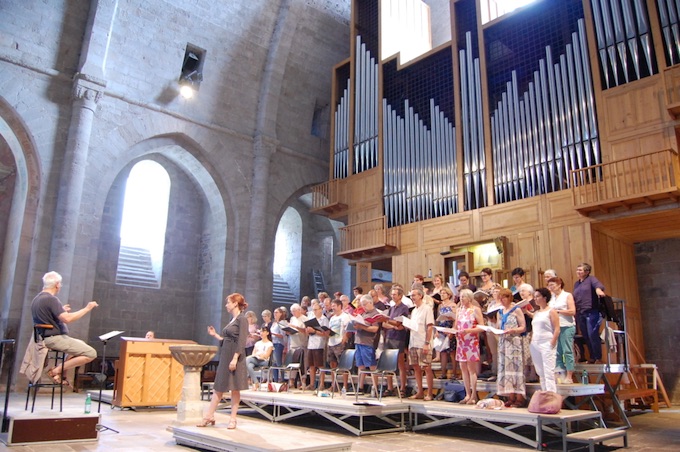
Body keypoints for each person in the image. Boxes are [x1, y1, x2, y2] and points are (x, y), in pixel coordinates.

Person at [30, 271, 99, 385]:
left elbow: (45, 315)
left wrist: (60, 309)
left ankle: (62, 374)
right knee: (91, 353)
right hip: (53, 338)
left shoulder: (37, 299)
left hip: (45, 337)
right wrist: (87, 308)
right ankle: (56, 371)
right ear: (57, 284)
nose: (60, 286)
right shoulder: (51, 299)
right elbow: (67, 319)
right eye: (60, 284)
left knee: (80, 343)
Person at [199, 293, 249, 429]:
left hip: (235, 356)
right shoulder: (232, 320)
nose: (226, 305)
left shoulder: (242, 319)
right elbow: (227, 339)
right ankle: (209, 415)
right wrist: (215, 335)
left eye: (228, 302)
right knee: (219, 386)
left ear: (235, 303)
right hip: (226, 354)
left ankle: (233, 419)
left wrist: (235, 358)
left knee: (235, 388)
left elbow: (242, 340)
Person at [496, 288, 526, 407]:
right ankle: (510, 396)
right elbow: (499, 326)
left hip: (514, 341)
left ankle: (519, 397)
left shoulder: (516, 310)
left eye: (504, 297)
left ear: (509, 298)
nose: (502, 300)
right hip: (504, 342)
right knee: (506, 369)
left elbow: (523, 327)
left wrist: (513, 330)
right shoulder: (500, 311)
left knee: (515, 368)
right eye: (500, 298)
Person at [454, 289, 484, 404]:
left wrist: (468, 330)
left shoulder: (475, 310)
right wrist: (454, 331)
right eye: (460, 297)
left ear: (469, 298)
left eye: (464, 297)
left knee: (471, 369)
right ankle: (467, 394)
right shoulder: (459, 310)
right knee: (463, 368)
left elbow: (482, 327)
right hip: (461, 341)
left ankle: (474, 395)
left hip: (471, 342)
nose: (461, 299)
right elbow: (456, 326)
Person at [573, 263, 606, 364]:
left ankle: (598, 357)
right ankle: (592, 357)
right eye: (577, 270)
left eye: (580, 270)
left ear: (587, 272)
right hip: (580, 312)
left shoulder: (591, 279)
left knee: (593, 334)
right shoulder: (577, 283)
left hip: (592, 311)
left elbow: (598, 286)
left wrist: (598, 290)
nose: (578, 272)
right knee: (586, 335)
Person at [406, 287, 435, 401]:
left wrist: (427, 343)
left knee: (426, 367)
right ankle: (420, 391)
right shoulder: (414, 310)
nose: (412, 297)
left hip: (423, 341)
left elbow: (430, 326)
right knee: (416, 367)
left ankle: (430, 393)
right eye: (411, 295)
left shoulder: (427, 309)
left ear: (420, 296)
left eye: (414, 295)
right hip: (413, 342)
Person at [530, 288, 560, 392]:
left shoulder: (551, 311)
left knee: (548, 371)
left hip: (547, 342)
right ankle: (544, 394)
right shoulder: (537, 312)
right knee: (540, 372)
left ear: (545, 298)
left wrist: (552, 342)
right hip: (535, 343)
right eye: (534, 297)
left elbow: (557, 328)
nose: (535, 299)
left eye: (538, 296)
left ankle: (551, 396)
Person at [381, 285, 410, 396]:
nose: (392, 296)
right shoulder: (391, 308)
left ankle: (403, 387)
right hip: (390, 336)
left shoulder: (404, 308)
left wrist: (390, 322)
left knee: (400, 363)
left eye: (394, 294)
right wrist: (392, 324)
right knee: (388, 363)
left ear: (400, 296)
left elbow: (400, 323)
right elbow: (385, 324)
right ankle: (389, 387)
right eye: (391, 294)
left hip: (399, 337)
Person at [548, 276, 577, 383]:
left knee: (567, 350)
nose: (550, 287)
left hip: (567, 325)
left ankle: (569, 375)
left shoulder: (567, 295)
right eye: (549, 285)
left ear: (559, 285)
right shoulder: (551, 297)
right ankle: (560, 373)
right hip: (555, 327)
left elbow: (572, 311)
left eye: (552, 285)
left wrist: (558, 311)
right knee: (557, 351)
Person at [352, 294, 381, 394]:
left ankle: (375, 387)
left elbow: (375, 329)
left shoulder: (375, 314)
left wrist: (362, 327)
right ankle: (360, 387)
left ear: (370, 302)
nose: (363, 306)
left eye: (364, 304)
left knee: (371, 365)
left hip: (367, 342)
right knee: (360, 365)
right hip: (359, 341)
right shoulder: (363, 314)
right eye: (362, 305)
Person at [321, 299, 350, 391]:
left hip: (340, 342)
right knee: (332, 364)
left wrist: (345, 338)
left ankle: (345, 386)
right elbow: (330, 329)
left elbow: (348, 329)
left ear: (339, 306)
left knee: (343, 365)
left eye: (334, 306)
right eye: (332, 306)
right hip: (331, 342)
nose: (332, 308)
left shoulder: (345, 316)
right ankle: (334, 385)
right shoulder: (332, 318)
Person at [305, 302, 330, 390]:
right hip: (311, 344)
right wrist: (308, 331)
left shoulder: (324, 319)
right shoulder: (312, 319)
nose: (314, 311)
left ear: (321, 309)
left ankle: (321, 384)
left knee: (320, 365)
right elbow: (307, 332)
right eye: (313, 310)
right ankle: (312, 384)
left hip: (320, 344)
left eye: (316, 310)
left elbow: (326, 333)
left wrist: (314, 331)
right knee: (311, 365)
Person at [434, 287, 457, 380]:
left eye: (444, 293)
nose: (442, 295)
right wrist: (436, 331)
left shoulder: (453, 305)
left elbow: (455, 318)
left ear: (449, 295)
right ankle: (443, 373)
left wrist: (452, 330)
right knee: (442, 352)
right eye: (441, 293)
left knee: (452, 352)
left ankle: (454, 373)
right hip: (441, 328)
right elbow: (438, 319)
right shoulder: (440, 306)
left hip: (449, 328)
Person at [269, 307, 286, 382]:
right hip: (273, 343)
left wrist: (272, 334)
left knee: (278, 362)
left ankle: (282, 379)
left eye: (277, 312)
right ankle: (275, 379)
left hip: (279, 343)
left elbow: (282, 335)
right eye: (274, 312)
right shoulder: (274, 323)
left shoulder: (282, 322)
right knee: (274, 363)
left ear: (281, 314)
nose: (275, 314)